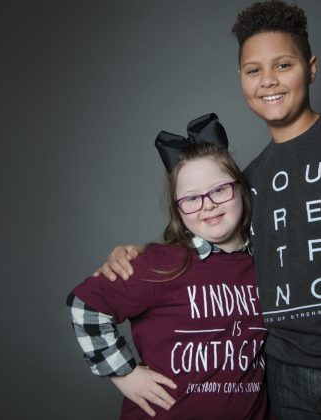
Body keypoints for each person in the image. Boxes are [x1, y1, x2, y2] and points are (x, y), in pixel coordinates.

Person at [98, 2, 321, 419]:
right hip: (283, 376)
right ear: (241, 79)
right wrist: (135, 254)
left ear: (311, 68)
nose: (268, 81)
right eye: (253, 70)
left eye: (283, 65)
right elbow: (210, 241)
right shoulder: (248, 180)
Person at [68, 113, 268, 419]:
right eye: (191, 198)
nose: (208, 204)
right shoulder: (162, 264)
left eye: (219, 190)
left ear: (240, 187)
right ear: (177, 208)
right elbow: (86, 305)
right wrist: (125, 374)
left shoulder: (266, 262)